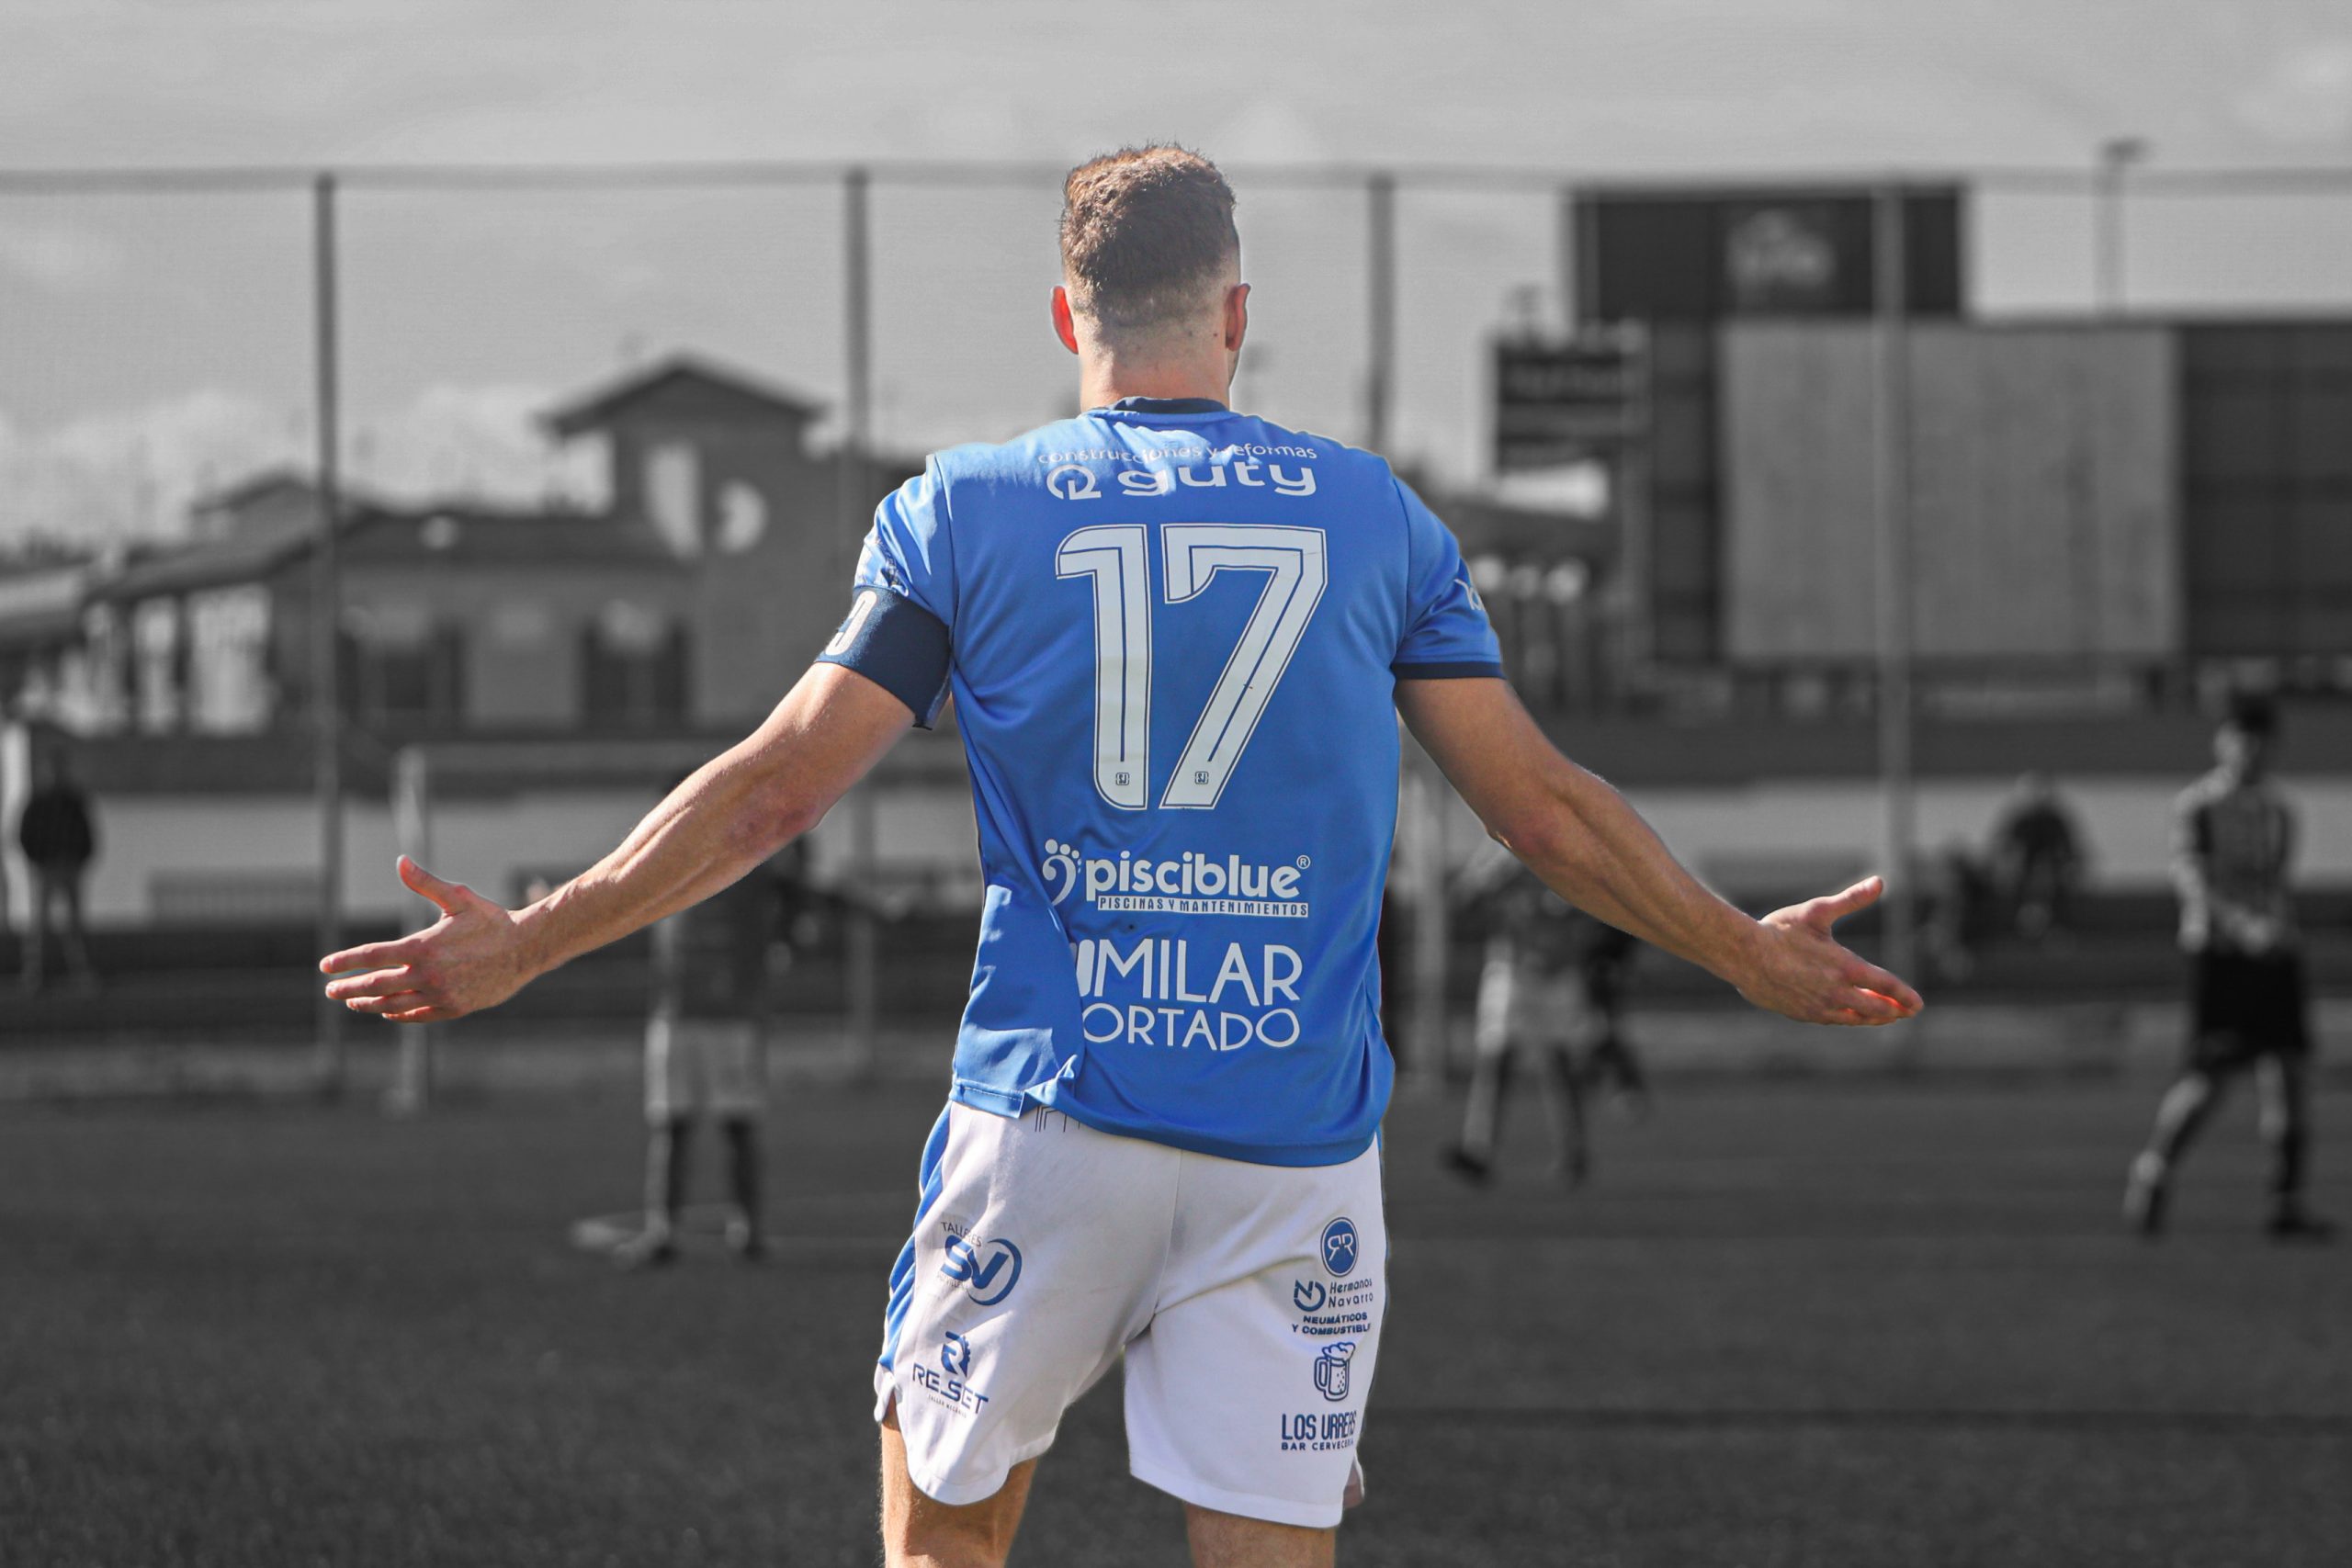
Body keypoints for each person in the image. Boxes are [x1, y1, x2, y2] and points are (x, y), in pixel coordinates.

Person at [321, 145, 1922, 1568]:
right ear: (1237, 316)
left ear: (1065, 315)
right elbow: (1543, 812)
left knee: (947, 1533)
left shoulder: (962, 512)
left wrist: (535, 933)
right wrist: (1746, 949)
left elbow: (776, 792)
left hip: (1055, 1120)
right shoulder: (1378, 519)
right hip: (1294, 1148)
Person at [2126, 696, 2331, 1242]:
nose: (2253, 750)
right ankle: (2153, 1172)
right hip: (2221, 956)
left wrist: (2277, 931)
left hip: (2275, 955)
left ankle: (2286, 1203)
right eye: (2243, 738)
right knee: (2208, 1079)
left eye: (2262, 740)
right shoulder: (2198, 805)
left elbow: (2277, 882)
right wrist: (2243, 927)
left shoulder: (2281, 810)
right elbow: (2193, 880)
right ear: (2223, 742)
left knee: (2288, 1073)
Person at [610, 831, 809, 1270]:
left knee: (737, 1123)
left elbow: (799, 888)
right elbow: (612, 890)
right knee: (671, 1124)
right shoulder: (662, 856)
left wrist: (785, 937)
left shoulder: (749, 851)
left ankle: (748, 1230)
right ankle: (663, 1230)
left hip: (733, 1011)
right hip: (675, 1009)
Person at [1443, 869, 1594, 1186]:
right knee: (1496, 1059)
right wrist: (1493, 877)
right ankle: (1479, 1150)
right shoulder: (1499, 856)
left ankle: (1573, 1151)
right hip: (1512, 970)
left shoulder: (1569, 848)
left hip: (1558, 970)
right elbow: (1463, 903)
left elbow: (1591, 907)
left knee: (1559, 1064)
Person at [17, 744, 96, 994]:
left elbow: (87, 833)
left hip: (69, 867)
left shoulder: (73, 802)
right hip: (46, 868)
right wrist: (38, 860)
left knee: (74, 924)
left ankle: (81, 974)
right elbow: (24, 834)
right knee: (40, 925)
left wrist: (79, 860)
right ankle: (34, 976)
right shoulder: (38, 802)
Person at [1990, 772, 2084, 943]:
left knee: (2057, 886)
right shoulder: (2020, 821)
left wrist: (2068, 865)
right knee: (2015, 884)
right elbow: (2005, 847)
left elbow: (2067, 848)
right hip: (2025, 869)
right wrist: (2007, 866)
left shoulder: (2055, 821)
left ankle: (2057, 927)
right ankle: (2018, 927)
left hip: (2051, 869)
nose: (2037, 797)